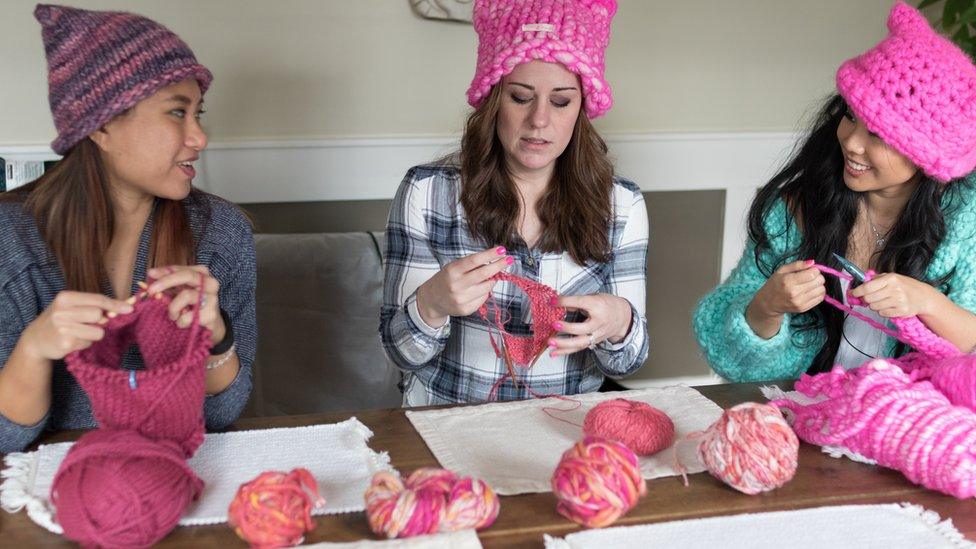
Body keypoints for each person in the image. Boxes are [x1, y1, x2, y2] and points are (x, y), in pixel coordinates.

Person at [0, 5, 255, 452]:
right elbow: (5, 437)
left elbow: (222, 415)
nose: (200, 137)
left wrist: (217, 336)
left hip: (177, 477)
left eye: (199, 113)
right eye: (177, 113)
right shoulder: (11, 240)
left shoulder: (222, 233)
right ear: (101, 125)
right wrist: (34, 349)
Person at [380, 0, 648, 405]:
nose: (539, 120)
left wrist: (618, 321)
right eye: (521, 97)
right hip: (446, 430)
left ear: (581, 109)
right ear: (493, 101)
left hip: (564, 435)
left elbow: (627, 363)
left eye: (561, 102)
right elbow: (401, 354)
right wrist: (431, 304)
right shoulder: (428, 193)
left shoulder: (621, 205)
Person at [694, 2, 976, 382]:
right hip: (810, 416)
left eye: (878, 134)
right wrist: (767, 307)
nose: (852, 142)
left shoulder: (965, 222)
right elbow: (732, 360)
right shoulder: (794, 210)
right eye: (850, 115)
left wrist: (928, 303)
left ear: (927, 153)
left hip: (919, 426)